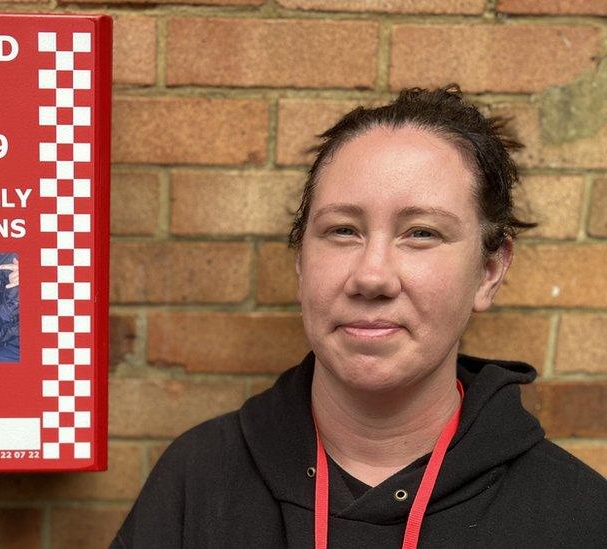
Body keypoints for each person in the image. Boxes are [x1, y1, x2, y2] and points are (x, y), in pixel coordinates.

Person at [112, 85, 607, 548]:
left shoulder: (580, 516)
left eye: (421, 233)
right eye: (344, 230)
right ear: (302, 263)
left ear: (489, 271)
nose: (372, 277)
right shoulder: (197, 480)